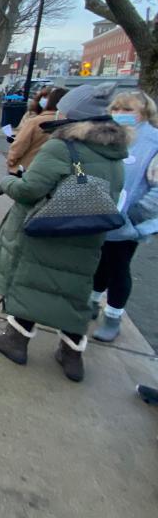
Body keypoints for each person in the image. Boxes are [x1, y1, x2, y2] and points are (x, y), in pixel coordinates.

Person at [0, 84, 128, 382]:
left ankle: (16, 340)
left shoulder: (62, 146)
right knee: (74, 290)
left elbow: (30, 189)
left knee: (33, 282)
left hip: (49, 226)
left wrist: (6, 183)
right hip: (88, 231)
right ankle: (72, 355)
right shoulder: (114, 150)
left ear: (71, 114)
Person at [88, 90, 158, 342]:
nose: (120, 114)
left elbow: (156, 191)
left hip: (127, 220)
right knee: (98, 263)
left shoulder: (153, 143)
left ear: (144, 113)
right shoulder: (106, 135)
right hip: (97, 213)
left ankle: (113, 317)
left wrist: (133, 219)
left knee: (118, 268)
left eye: (127, 110)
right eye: (116, 109)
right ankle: (92, 302)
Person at [5, 87, 68, 173]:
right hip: (50, 171)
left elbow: (19, 145)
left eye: (47, 98)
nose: (44, 100)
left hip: (25, 169)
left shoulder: (35, 121)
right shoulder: (68, 122)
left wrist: (11, 161)